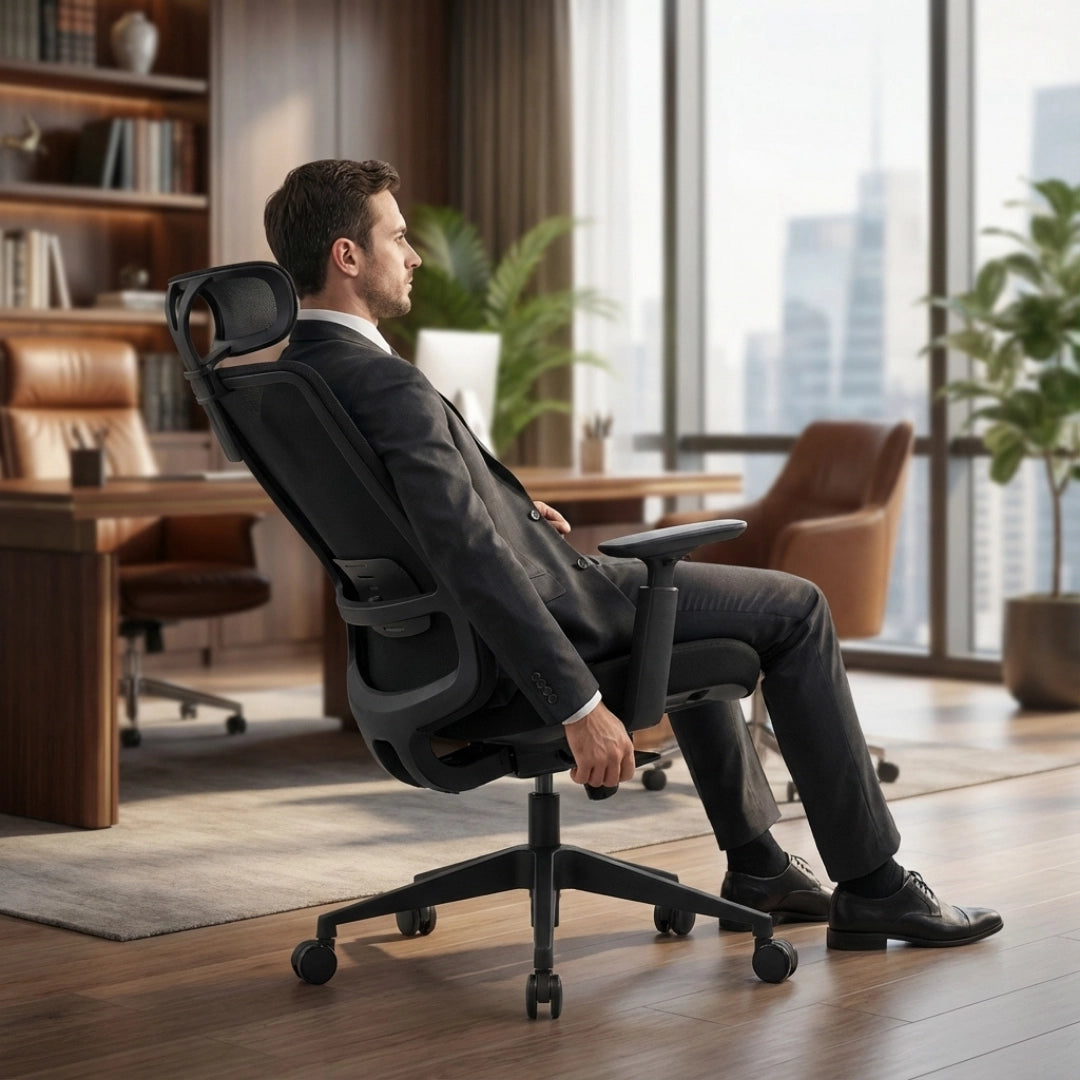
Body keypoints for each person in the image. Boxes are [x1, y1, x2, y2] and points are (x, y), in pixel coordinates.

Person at [263, 158, 1003, 952]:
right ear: (347, 257)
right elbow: (469, 557)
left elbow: (405, 525)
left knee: (682, 608)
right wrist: (577, 707)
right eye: (398, 238)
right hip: (546, 624)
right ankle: (876, 887)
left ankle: (758, 865)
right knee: (797, 609)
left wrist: (509, 508)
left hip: (422, 658)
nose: (413, 257)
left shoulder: (290, 383)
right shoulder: (387, 384)